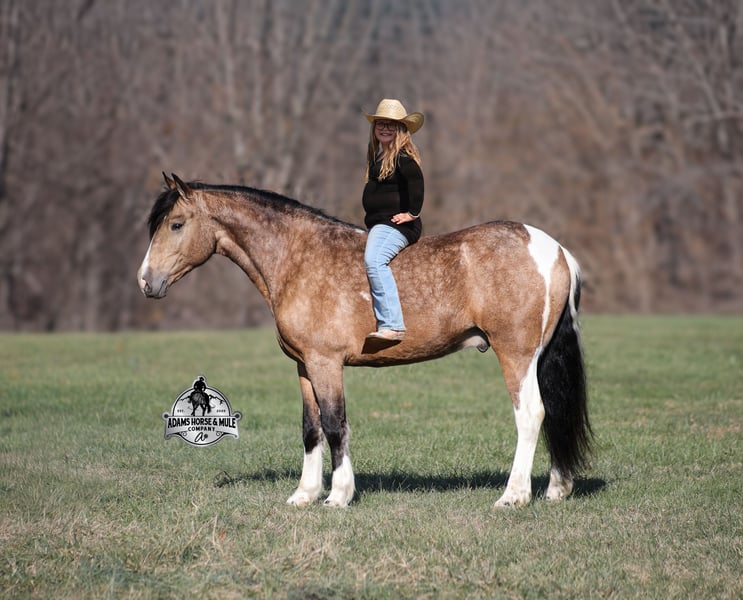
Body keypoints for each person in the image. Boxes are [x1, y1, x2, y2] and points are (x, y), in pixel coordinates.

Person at [362, 98, 425, 342]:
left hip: (397, 226)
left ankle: (393, 324)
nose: (385, 128)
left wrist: (412, 213)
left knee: (374, 260)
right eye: (381, 124)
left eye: (391, 124)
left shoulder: (402, 158)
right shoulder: (380, 158)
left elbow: (417, 182)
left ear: (401, 129)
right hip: (380, 225)